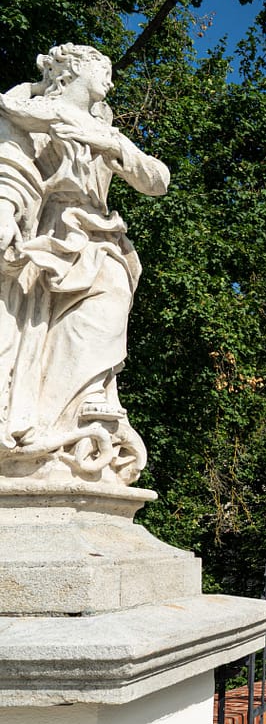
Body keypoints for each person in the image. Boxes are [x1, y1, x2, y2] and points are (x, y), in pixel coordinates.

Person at [0, 44, 169, 484]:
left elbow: (157, 180)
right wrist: (4, 213)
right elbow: (12, 170)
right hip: (50, 232)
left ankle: (84, 413)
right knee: (52, 335)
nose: (110, 83)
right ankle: (51, 431)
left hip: (101, 235)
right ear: (75, 70)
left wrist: (112, 144)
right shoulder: (30, 112)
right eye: (103, 71)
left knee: (108, 298)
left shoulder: (103, 127)